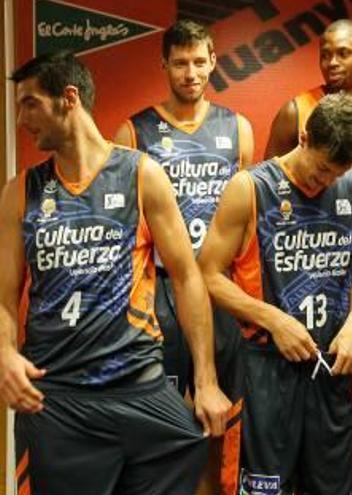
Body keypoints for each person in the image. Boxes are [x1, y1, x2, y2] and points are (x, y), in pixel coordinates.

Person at [1, 51, 230, 495]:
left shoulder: (141, 174)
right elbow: (5, 295)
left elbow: (186, 278)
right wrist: (6, 354)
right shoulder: (21, 192)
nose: (21, 118)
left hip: (140, 389)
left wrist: (205, 381)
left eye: (30, 103)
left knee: (192, 449)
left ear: (68, 98)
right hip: (59, 396)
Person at [198, 93, 352, 495]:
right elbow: (206, 274)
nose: (327, 181)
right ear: (303, 138)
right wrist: (274, 319)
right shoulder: (250, 189)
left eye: (338, 173)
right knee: (264, 488)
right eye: (322, 169)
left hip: (331, 366)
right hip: (266, 367)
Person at [263, 20, 352, 493]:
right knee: (316, 404)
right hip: (307, 279)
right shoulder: (295, 113)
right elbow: (267, 191)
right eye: (324, 54)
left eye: (343, 53)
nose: (331, 63)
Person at [114, 19, 254, 397]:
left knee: (220, 409)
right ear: (165, 66)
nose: (190, 73)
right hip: (160, 288)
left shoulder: (238, 128)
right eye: (180, 63)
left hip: (219, 285)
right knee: (166, 410)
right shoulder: (133, 132)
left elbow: (246, 218)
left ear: (212, 60)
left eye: (197, 61)